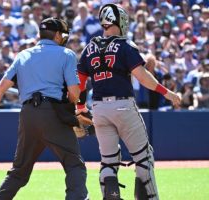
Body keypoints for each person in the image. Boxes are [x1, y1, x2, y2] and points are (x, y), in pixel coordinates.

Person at [76, 4, 181, 200]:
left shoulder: (89, 48)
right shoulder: (125, 45)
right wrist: (167, 93)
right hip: (123, 106)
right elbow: (142, 77)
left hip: (98, 108)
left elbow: (80, 83)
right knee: (143, 158)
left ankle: (110, 196)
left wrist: (80, 108)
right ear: (117, 21)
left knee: (108, 162)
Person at [0, 17, 88, 200]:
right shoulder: (66, 54)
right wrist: (71, 111)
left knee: (19, 172)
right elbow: (75, 94)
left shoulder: (22, 55)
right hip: (53, 113)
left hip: (28, 115)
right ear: (59, 35)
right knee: (74, 165)